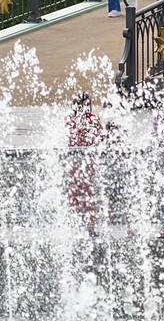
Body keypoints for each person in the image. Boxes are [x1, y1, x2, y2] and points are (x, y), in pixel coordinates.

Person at [66, 92, 104, 233]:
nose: (85, 107)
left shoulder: (91, 119)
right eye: (83, 104)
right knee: (75, 193)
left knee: (88, 192)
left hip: (87, 161)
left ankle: (90, 225)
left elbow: (99, 137)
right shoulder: (73, 119)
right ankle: (76, 224)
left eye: (87, 104)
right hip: (76, 161)